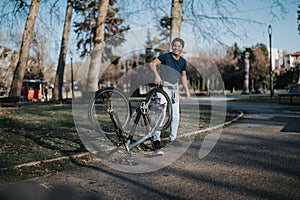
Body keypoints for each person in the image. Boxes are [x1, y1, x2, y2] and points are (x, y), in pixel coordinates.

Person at [150, 37, 190, 150]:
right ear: (172, 46)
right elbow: (152, 64)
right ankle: (156, 139)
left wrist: (187, 91)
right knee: (161, 114)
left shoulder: (183, 61)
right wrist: (157, 76)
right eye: (175, 46)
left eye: (179, 46)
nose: (176, 48)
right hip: (163, 88)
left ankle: (173, 139)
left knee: (176, 116)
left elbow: (183, 76)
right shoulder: (165, 56)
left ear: (182, 48)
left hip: (174, 90)